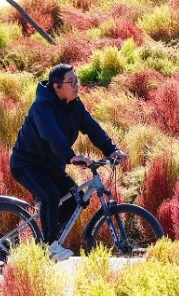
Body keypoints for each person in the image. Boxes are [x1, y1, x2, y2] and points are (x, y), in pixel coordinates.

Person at [10, 63, 127, 261]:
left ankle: (44, 240)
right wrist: (70, 156)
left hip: (51, 166)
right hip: (27, 164)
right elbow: (51, 135)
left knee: (76, 200)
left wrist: (112, 150)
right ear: (57, 86)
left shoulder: (75, 105)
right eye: (71, 82)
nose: (76, 85)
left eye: (77, 81)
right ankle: (50, 245)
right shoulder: (42, 106)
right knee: (50, 195)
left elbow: (92, 128)